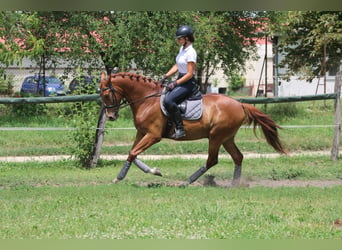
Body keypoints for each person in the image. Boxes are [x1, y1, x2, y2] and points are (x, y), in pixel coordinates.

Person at [161, 25, 197, 139]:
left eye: (180, 38)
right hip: (181, 79)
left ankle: (180, 129)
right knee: (162, 93)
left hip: (188, 83)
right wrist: (166, 75)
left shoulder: (191, 52)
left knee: (169, 100)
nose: (178, 40)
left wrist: (175, 83)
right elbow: (177, 65)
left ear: (187, 39)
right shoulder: (182, 49)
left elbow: (190, 74)